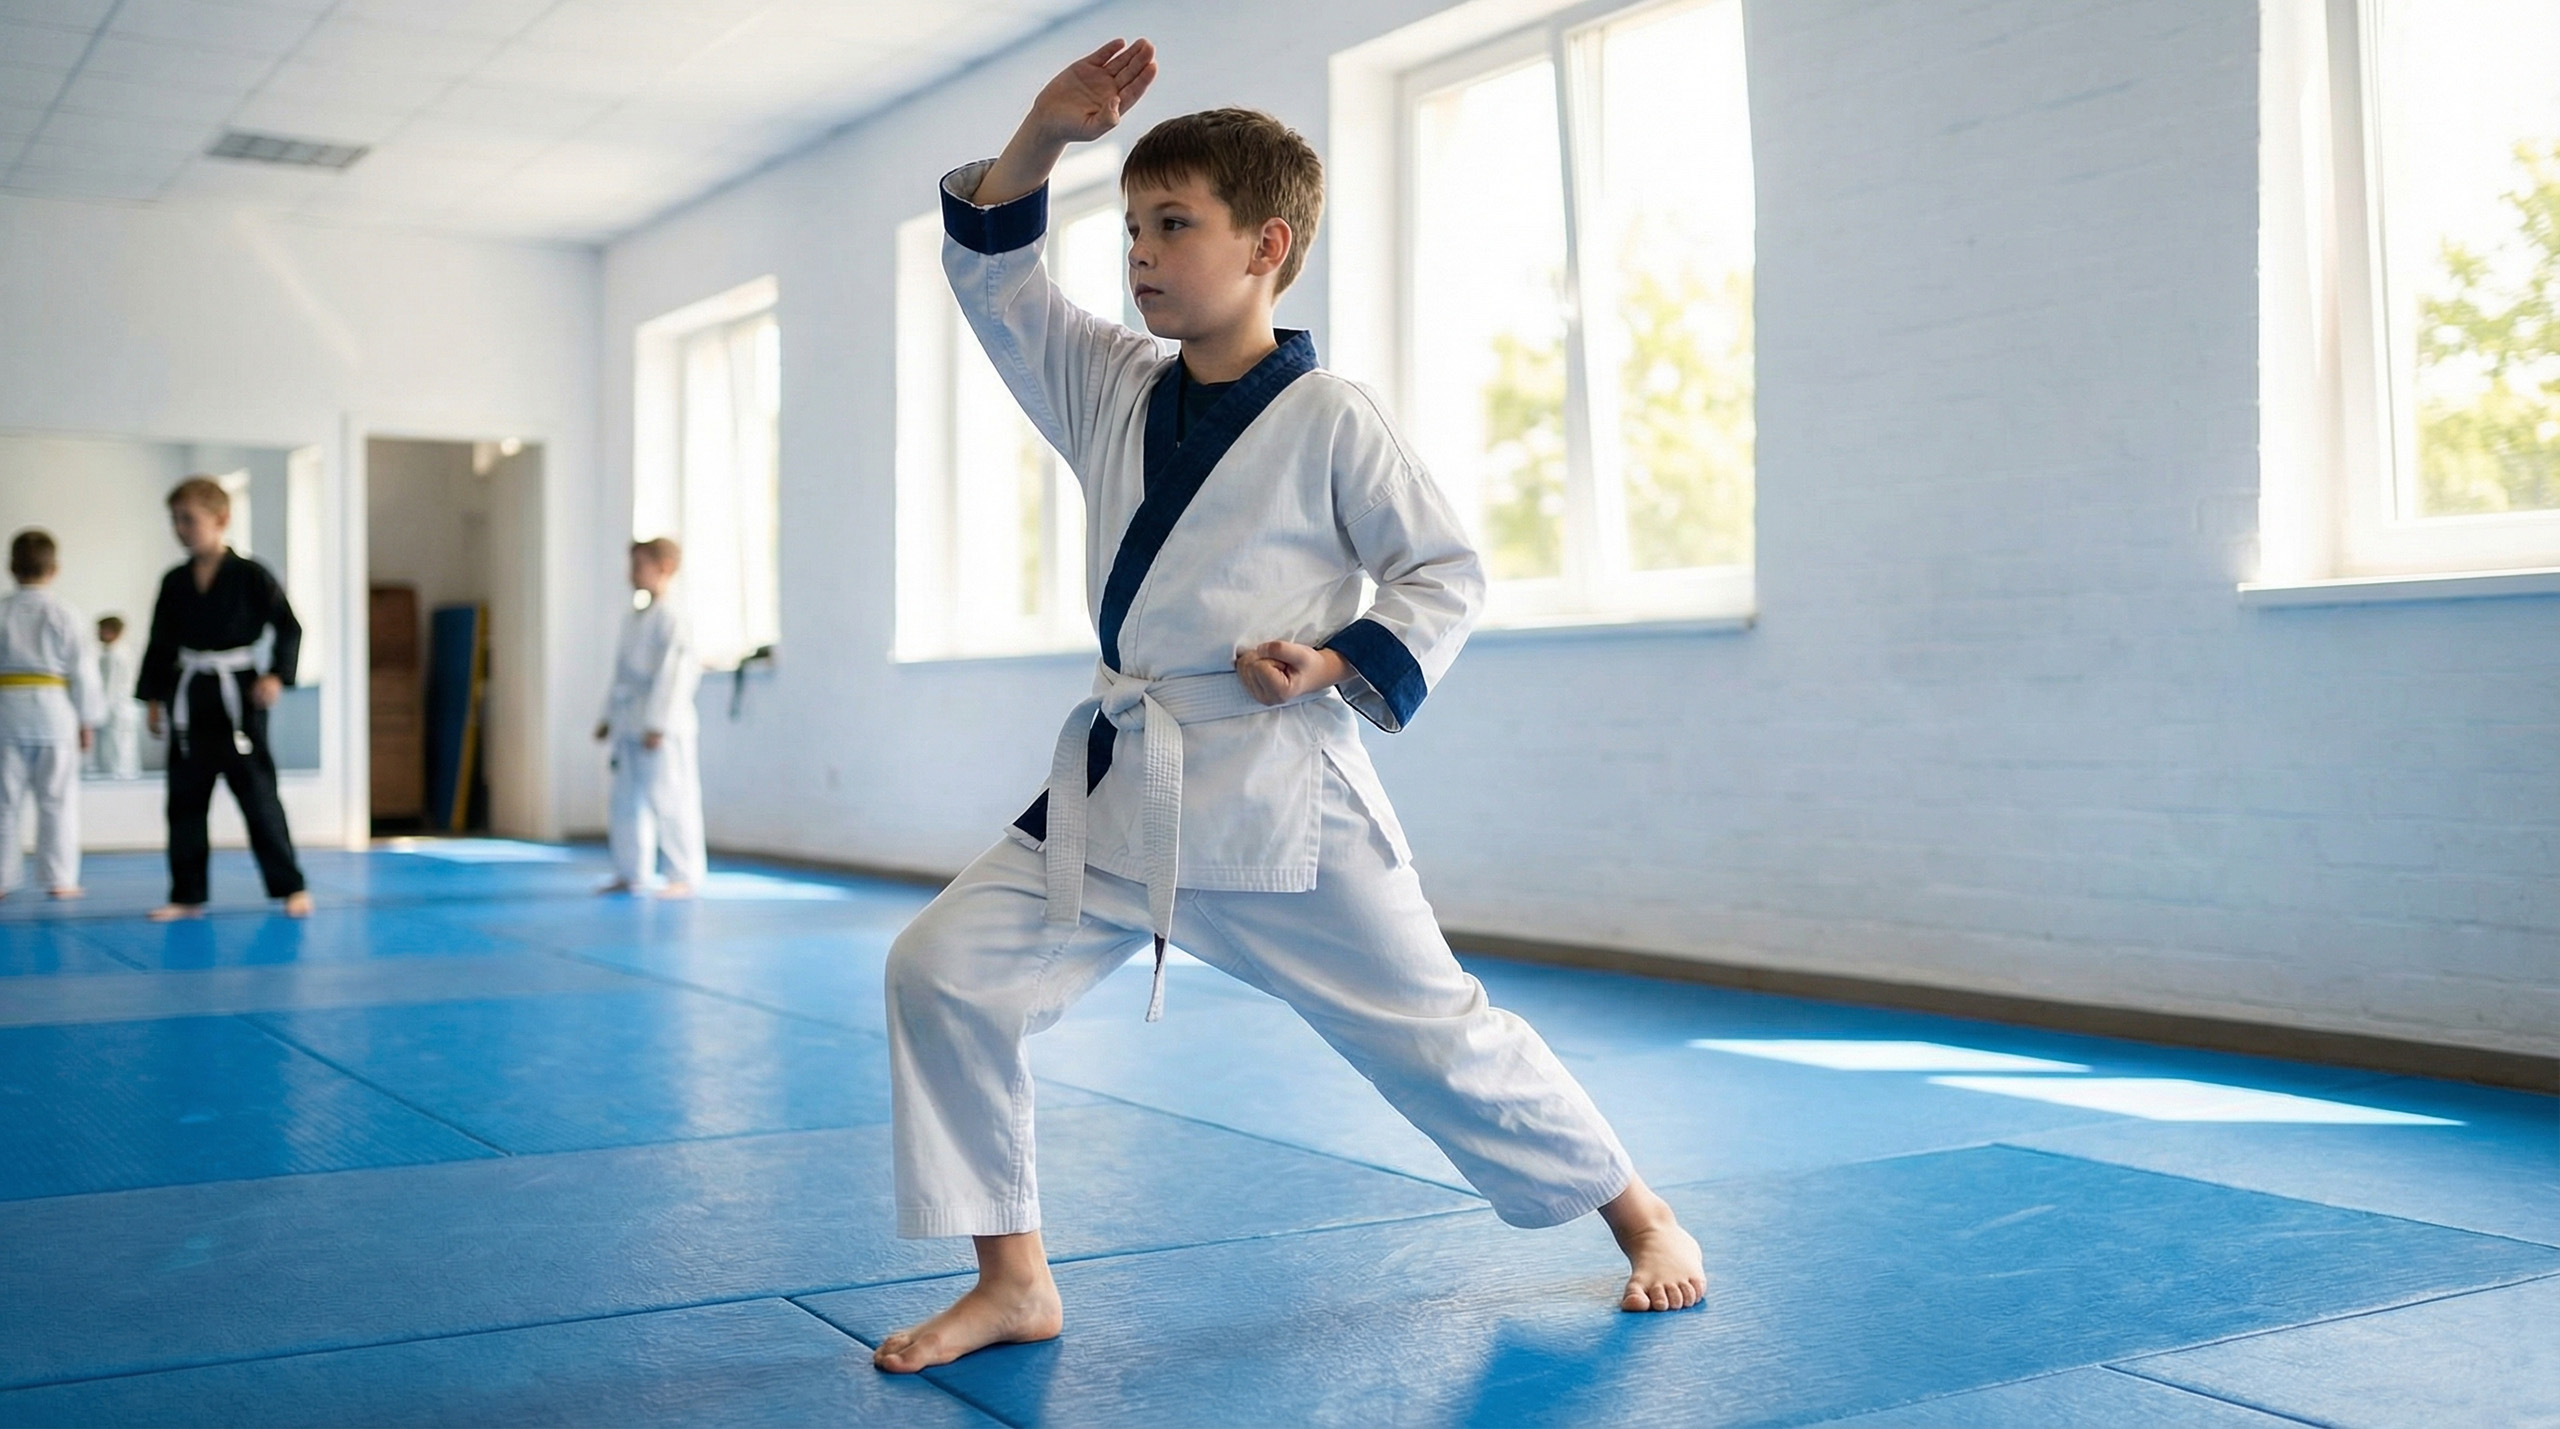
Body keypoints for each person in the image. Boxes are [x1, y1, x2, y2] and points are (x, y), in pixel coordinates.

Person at [872, 40, 1706, 1375]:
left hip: (1278, 803)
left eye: (1173, 225)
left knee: (1433, 1034)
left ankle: (1642, 1214)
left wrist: (1329, 662)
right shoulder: (1111, 385)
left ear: (1266, 247)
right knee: (940, 968)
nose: (1139, 254)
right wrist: (1040, 135)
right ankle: (1013, 1279)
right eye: (1131, 228)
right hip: (1122, 786)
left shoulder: (1330, 418)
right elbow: (994, 276)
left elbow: (1443, 571)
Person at [138, 477, 311, 920]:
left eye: (189, 519)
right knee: (184, 800)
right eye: (175, 520)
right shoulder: (174, 581)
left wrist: (276, 675)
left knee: (259, 796)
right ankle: (187, 896)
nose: (180, 529)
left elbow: (289, 627)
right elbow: (160, 642)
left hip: (239, 694)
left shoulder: (251, 575)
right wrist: (154, 699)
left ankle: (290, 887)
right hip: (189, 693)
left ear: (221, 519)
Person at [594, 537, 704, 899]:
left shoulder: (673, 617)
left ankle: (683, 875)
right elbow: (620, 674)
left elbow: (676, 676)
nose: (633, 573)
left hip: (662, 727)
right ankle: (630, 872)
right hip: (628, 719)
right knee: (625, 801)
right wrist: (607, 716)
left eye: (640, 565)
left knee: (671, 799)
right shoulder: (633, 618)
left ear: (665, 568)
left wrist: (658, 724)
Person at [0, 529, 104, 900]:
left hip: (6, 713)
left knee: (3, 803)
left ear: (11, 567)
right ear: (54, 569)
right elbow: (84, 673)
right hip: (54, 712)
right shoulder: (65, 614)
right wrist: (87, 721)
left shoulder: (2, 611)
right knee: (57, 801)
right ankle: (60, 880)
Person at [91, 615, 142, 780]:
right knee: (123, 753)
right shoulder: (123, 652)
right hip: (122, 709)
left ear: (112, 631)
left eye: (101, 629)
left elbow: (109, 689)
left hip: (114, 711)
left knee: (114, 757)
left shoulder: (113, 655)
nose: (97, 633)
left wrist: (96, 713)